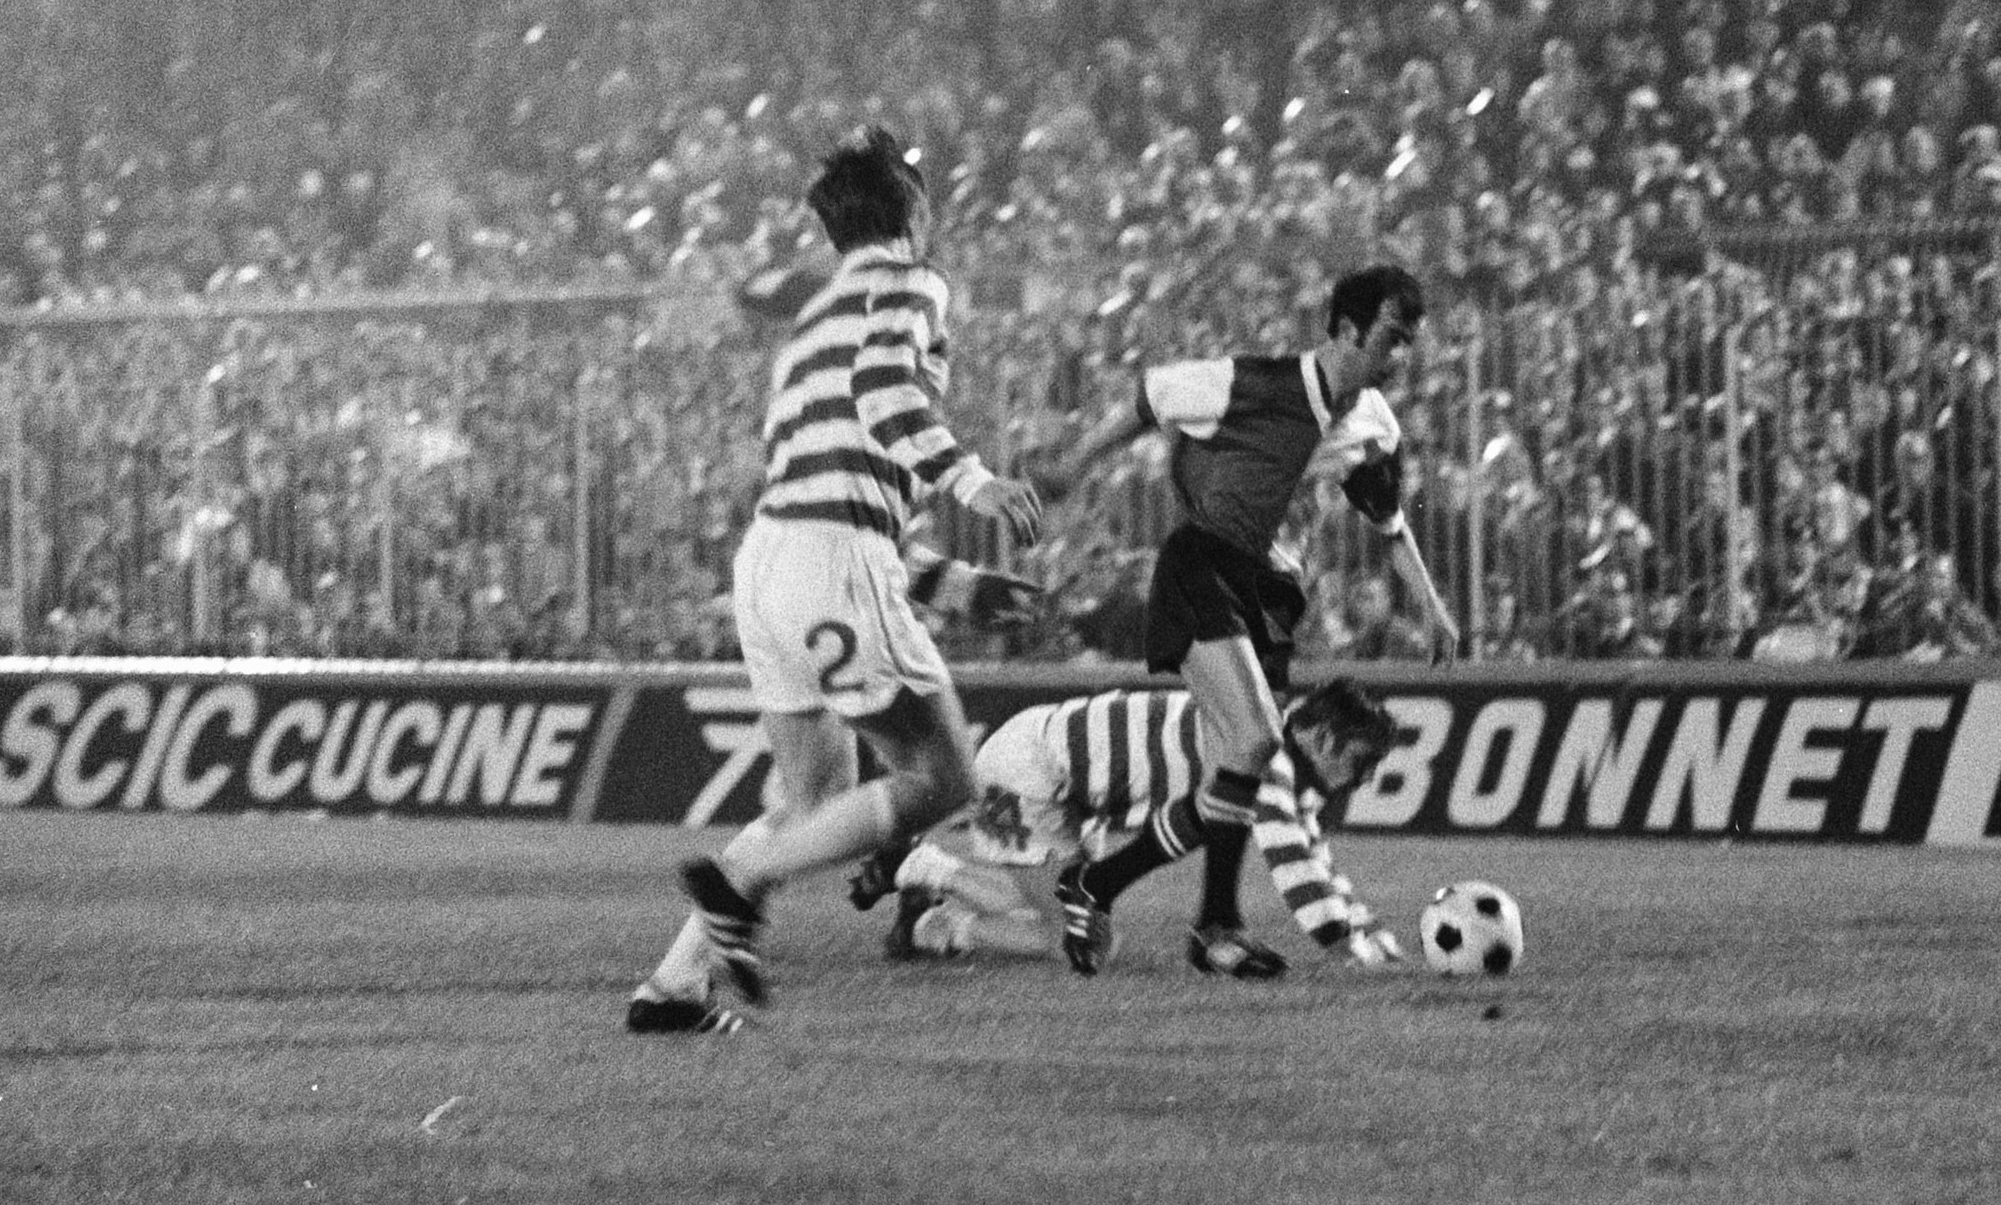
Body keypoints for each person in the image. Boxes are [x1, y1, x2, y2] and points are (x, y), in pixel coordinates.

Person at [625, 129, 1045, 1035]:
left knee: (811, 800)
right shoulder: (912, 283)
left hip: (770, 562)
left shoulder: (812, 318)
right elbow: (887, 394)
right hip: (831, 559)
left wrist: (957, 587)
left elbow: (840, 487)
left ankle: (672, 989)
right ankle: (740, 881)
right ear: (914, 212)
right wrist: (974, 482)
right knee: (940, 776)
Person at [1032, 263, 1458, 980]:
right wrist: (1074, 465)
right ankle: (1215, 928)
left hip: (1272, 598)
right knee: (1256, 740)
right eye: (1391, 337)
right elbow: (1153, 394)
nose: (1401, 357)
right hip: (1203, 566)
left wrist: (1433, 607)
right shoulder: (1258, 383)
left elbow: (1387, 520)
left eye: (1409, 342)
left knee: (1231, 777)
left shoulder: (1372, 424)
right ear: (1347, 329)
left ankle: (1101, 885)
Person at [882, 678, 1407, 968]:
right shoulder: (1263, 757)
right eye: (1363, 761)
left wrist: (1367, 928)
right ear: (1322, 738)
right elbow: (1292, 860)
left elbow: (1312, 850)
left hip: (1054, 770)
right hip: (1027, 772)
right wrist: (1343, 944)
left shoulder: (1263, 732)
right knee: (1072, 938)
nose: (1364, 777)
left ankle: (927, 869)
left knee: (1070, 915)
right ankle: (934, 924)